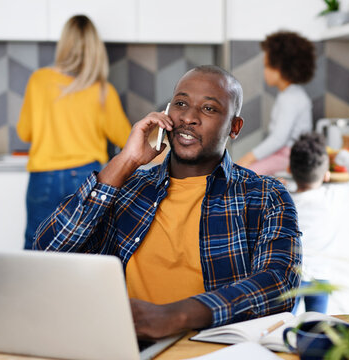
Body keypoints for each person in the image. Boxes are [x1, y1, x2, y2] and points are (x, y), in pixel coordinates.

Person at [32, 65, 302, 339]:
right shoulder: (128, 189)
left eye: (208, 109)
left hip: (213, 350)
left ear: (234, 127)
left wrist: (176, 316)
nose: (189, 117)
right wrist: (126, 161)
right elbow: (48, 251)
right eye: (181, 104)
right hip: (126, 346)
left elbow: (280, 286)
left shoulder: (265, 196)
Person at [17, 15, 131, 250]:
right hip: (87, 178)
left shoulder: (39, 80)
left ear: (64, 43)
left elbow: (24, 132)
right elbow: (125, 138)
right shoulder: (102, 91)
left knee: (36, 245)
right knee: (86, 249)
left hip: (44, 176)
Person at [288, 133, 349, 314]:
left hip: (291, 278)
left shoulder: (285, 198)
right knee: (317, 326)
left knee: (283, 323)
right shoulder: (333, 198)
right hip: (320, 278)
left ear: (290, 169)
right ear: (327, 175)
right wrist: (339, 154)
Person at [236, 31, 315, 175]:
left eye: (266, 66)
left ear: (280, 68)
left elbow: (279, 139)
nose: (264, 71)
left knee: (244, 175)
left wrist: (248, 158)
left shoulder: (290, 99)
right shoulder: (292, 94)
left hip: (289, 157)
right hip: (284, 154)